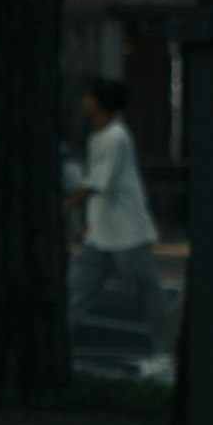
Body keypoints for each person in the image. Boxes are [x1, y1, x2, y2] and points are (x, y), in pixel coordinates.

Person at [67, 76, 161, 357]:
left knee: (148, 296)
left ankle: (165, 354)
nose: (84, 102)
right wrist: (87, 225)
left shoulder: (116, 136)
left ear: (100, 102)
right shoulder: (98, 136)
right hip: (100, 235)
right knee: (74, 293)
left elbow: (98, 184)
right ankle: (47, 353)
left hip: (128, 233)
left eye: (88, 97)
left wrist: (65, 207)